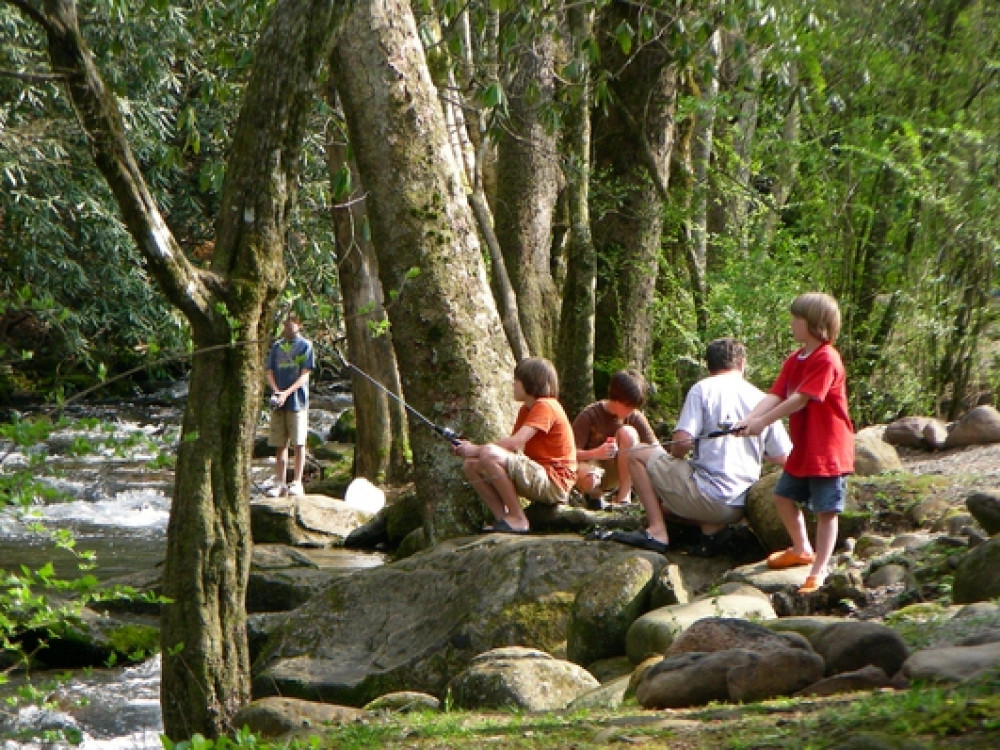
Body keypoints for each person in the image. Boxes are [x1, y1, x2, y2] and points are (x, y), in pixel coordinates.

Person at [610, 337, 791, 556]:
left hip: (709, 496)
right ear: (742, 364)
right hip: (738, 506)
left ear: (709, 366)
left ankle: (657, 532)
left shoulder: (702, 389)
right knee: (670, 507)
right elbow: (782, 456)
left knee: (636, 454)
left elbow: (682, 442)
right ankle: (711, 531)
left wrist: (675, 457)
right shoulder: (762, 398)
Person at [735, 292, 854, 594]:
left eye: (796, 318)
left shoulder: (827, 358)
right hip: (804, 448)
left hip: (828, 448)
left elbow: (800, 400)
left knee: (827, 511)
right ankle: (802, 548)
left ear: (814, 323)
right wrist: (748, 418)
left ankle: (820, 569)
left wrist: (763, 423)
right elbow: (777, 393)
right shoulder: (794, 359)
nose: (792, 323)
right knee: (782, 496)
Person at [452, 356, 577, 534]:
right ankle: (503, 519)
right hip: (539, 475)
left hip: (554, 482)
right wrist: (468, 451)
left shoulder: (545, 406)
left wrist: (476, 449)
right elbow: (510, 450)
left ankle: (519, 518)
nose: (513, 385)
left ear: (530, 382)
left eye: (516, 380)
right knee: (470, 465)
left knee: (488, 453)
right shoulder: (526, 409)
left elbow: (513, 444)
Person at [572, 369, 658, 507]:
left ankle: (624, 498)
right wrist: (596, 453)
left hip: (618, 473)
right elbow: (568, 454)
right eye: (628, 405)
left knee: (628, 433)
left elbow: (656, 449)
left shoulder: (634, 417)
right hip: (592, 471)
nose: (631, 410)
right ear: (616, 399)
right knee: (590, 477)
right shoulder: (590, 414)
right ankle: (594, 498)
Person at [266, 312, 315, 497]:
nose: (287, 327)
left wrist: (287, 393)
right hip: (279, 402)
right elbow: (269, 371)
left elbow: (305, 374)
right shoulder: (277, 346)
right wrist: (276, 390)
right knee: (280, 444)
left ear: (299, 325)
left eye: (290, 324)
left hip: (297, 402)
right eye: (285, 324)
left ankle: (296, 482)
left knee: (299, 443)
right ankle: (280, 483)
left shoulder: (305, 346)